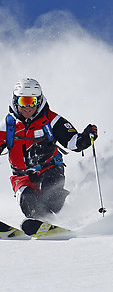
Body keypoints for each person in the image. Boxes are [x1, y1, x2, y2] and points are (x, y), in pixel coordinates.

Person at [0, 78, 98, 220]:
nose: (27, 107)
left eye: (32, 102)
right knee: (29, 202)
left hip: (50, 169)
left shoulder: (51, 120)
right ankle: (42, 223)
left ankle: (79, 214)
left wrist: (86, 138)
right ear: (15, 101)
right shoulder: (8, 125)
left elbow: (73, 142)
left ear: (39, 101)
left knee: (52, 199)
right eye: (23, 101)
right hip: (22, 177)